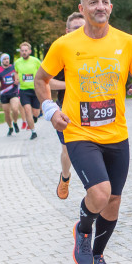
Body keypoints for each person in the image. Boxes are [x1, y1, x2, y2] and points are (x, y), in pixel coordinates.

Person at [35, 0, 132, 264]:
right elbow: (41, 80)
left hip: (116, 134)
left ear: (111, 7)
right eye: (93, 2)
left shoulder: (127, 43)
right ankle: (82, 228)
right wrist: (51, 111)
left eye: (104, 1)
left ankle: (98, 256)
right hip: (79, 132)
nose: (99, 6)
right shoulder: (64, 44)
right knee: (100, 193)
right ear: (82, 9)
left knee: (114, 199)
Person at [54, 11, 86, 200]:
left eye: (83, 28)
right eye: (76, 28)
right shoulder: (61, 52)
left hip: (91, 111)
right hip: (66, 110)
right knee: (68, 150)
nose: (81, 32)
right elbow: (46, 82)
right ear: (67, 31)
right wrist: (70, 84)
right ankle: (65, 178)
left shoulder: (96, 50)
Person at [13, 42, 43, 140]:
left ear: (29, 51)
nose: (24, 52)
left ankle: (35, 118)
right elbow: (16, 73)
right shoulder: (17, 62)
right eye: (22, 51)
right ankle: (33, 132)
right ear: (20, 52)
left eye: (26, 50)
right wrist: (16, 78)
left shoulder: (36, 61)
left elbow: (41, 72)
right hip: (24, 90)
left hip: (35, 90)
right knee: (27, 110)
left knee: (36, 113)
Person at [0, 53, 22, 135]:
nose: (6, 60)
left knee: (15, 109)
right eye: (4, 59)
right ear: (1, 61)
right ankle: (10, 127)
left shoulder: (13, 68)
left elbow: (19, 76)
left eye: (7, 59)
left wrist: (18, 80)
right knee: (6, 112)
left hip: (13, 92)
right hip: (4, 94)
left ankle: (15, 122)